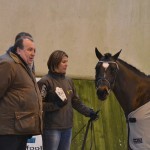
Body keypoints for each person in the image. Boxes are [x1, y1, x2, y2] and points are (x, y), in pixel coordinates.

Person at [37, 50, 98, 150]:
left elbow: (76, 102)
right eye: (64, 62)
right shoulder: (45, 81)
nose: (67, 65)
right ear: (55, 62)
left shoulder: (69, 81)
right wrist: (56, 105)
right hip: (51, 129)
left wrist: (89, 112)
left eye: (67, 62)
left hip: (67, 128)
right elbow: (38, 105)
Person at [0, 33, 43, 150]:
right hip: (9, 131)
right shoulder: (8, 64)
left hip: (19, 128)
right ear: (18, 50)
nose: (33, 53)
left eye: (34, 50)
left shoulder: (23, 66)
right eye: (29, 50)